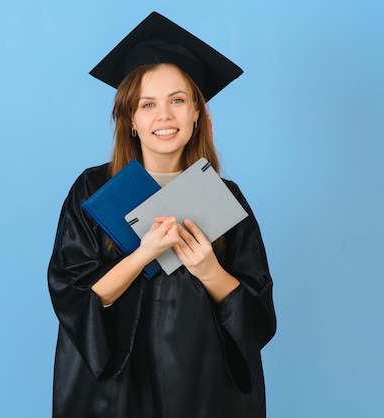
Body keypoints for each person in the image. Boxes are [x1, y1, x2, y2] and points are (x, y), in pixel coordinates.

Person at [47, 12, 276, 418]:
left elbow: (258, 320)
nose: (164, 116)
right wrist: (142, 254)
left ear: (196, 114)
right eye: (147, 104)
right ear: (131, 120)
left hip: (205, 391)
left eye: (177, 101)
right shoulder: (94, 191)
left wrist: (209, 269)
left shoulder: (225, 199)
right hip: (116, 394)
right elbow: (73, 298)